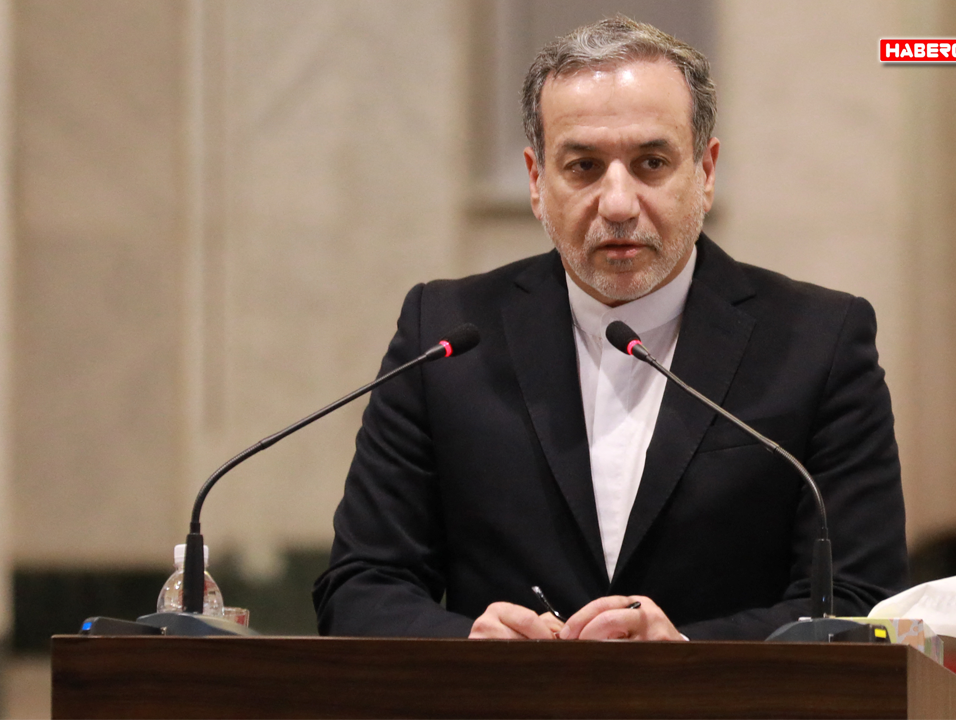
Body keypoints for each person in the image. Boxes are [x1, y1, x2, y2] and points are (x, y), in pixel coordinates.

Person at [313, 16, 908, 641]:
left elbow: (862, 600)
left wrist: (687, 656)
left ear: (705, 172)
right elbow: (360, 586)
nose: (618, 203)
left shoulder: (819, 343)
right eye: (584, 166)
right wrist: (469, 650)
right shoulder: (445, 336)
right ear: (537, 181)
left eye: (651, 162)